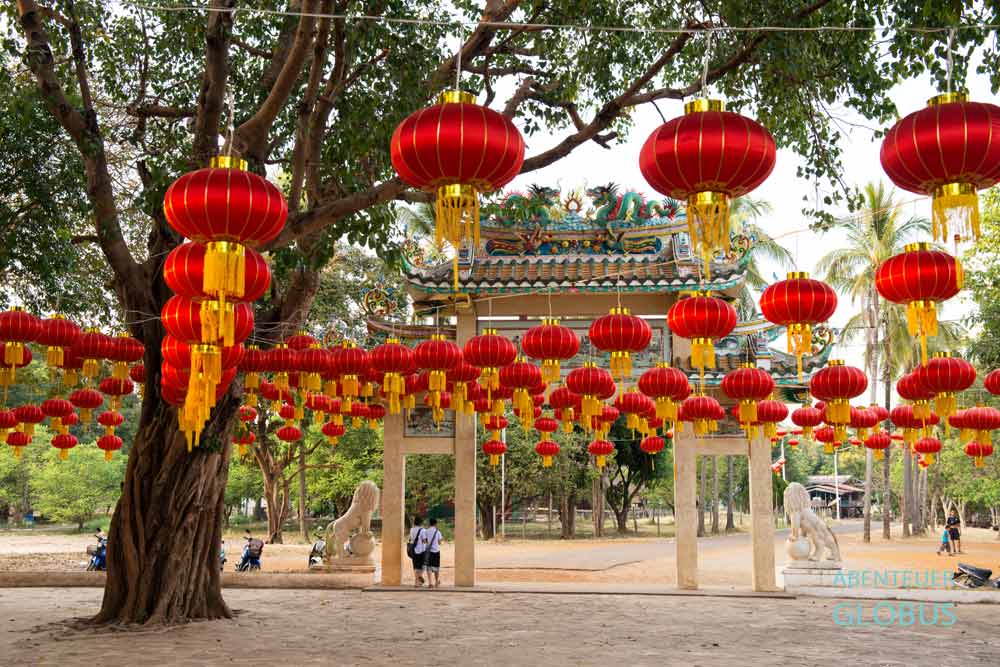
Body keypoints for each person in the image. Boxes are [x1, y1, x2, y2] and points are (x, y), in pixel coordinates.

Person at [422, 518, 443, 588]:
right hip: (436, 551)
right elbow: (440, 542)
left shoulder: (426, 531)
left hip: (429, 552)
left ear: (429, 523)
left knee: (429, 567)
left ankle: (430, 582)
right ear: (435, 524)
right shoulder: (438, 532)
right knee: (436, 567)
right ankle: (436, 582)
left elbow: (424, 541)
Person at [408, 517, 426, 587]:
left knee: (415, 567)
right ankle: (420, 577)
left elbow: (410, 539)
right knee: (423, 566)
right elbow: (424, 541)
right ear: (421, 522)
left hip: (413, 550)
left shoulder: (411, 529)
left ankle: (416, 582)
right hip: (421, 550)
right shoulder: (423, 530)